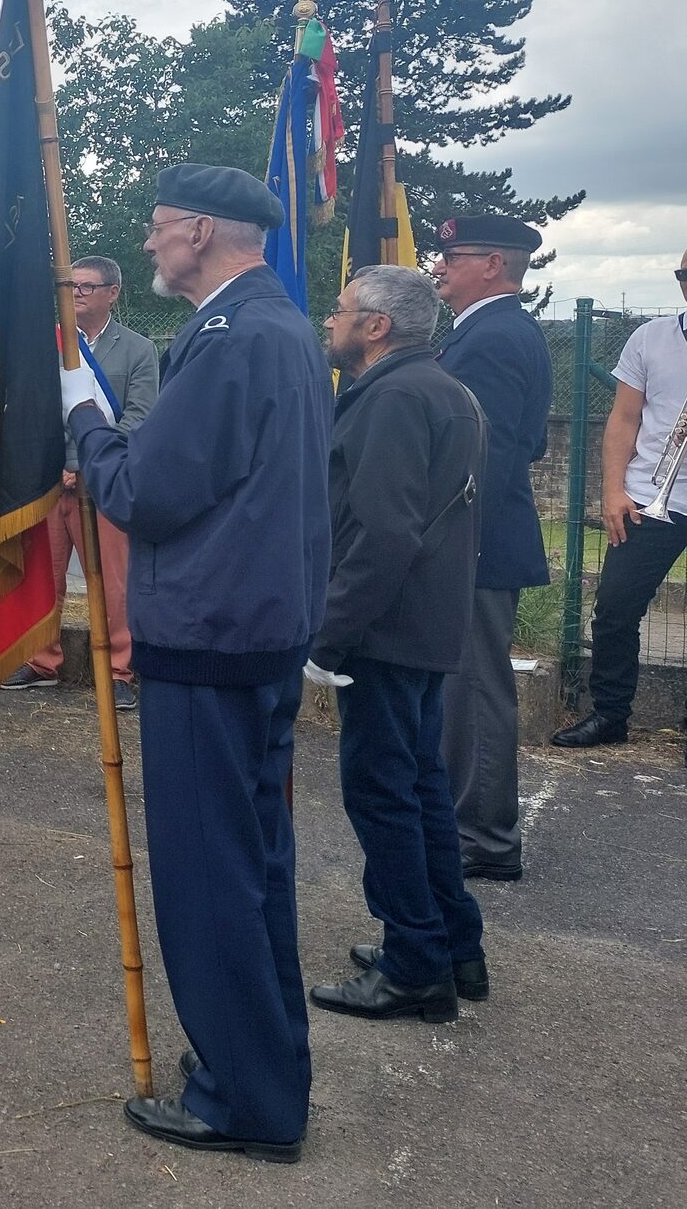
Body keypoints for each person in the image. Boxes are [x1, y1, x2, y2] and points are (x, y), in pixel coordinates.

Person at [61, 165, 330, 1165]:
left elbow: (147, 490)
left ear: (203, 232)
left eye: (160, 226)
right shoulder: (281, 326)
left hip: (209, 637)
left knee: (210, 878)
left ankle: (243, 1102)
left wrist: (85, 417)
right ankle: (263, 1072)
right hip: (255, 633)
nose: (148, 242)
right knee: (255, 870)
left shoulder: (226, 340)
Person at [305, 266, 490, 1025]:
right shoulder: (442, 388)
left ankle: (415, 962)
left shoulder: (395, 397)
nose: (330, 319)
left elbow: (382, 531)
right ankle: (452, 944)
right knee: (417, 791)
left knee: (383, 794)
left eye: (342, 309)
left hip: (384, 629)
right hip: (420, 623)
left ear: (377, 327)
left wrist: (328, 636)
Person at [431, 215, 552, 880]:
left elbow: (490, 454)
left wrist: (451, 539)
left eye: (454, 256)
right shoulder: (489, 331)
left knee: (475, 691)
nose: (440, 267)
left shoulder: (495, 337)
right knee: (464, 687)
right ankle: (473, 823)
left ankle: (485, 838)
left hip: (476, 542)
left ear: (493, 267)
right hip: (478, 537)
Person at [0, 253, 158, 709]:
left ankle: (120, 671)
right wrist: (53, 465)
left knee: (113, 582)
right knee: (43, 577)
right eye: (71, 287)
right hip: (50, 483)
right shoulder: (47, 345)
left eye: (87, 286)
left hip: (105, 483)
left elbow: (140, 418)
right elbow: (33, 411)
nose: (77, 294)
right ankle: (40, 661)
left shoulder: (137, 349)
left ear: (113, 293)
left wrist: (88, 465)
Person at [552, 245, 687, 761]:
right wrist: (613, 489)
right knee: (613, 611)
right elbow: (625, 418)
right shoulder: (651, 337)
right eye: (683, 274)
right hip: (652, 496)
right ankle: (610, 715)